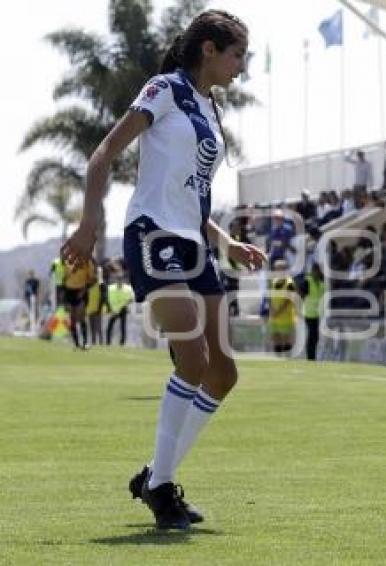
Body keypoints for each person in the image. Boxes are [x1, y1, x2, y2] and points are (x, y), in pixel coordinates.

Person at [60, 10, 266, 530]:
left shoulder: (208, 108)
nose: (243, 65)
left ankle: (156, 475)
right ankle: (160, 489)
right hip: (153, 234)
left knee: (224, 373)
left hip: (194, 241)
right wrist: (90, 223)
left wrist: (226, 241)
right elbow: (104, 153)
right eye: (238, 53)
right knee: (192, 360)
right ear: (210, 50)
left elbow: (195, 195)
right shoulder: (166, 89)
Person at [63, 257, 97, 350]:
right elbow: (64, 278)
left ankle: (85, 342)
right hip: (69, 291)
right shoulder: (67, 262)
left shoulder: (87, 261)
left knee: (81, 316)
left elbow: (93, 279)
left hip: (81, 290)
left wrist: (84, 289)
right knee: (72, 319)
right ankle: (76, 344)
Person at [268, 260, 297, 355]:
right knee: (275, 336)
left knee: (285, 338)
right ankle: (278, 358)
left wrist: (279, 312)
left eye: (279, 269)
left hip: (285, 316)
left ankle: (287, 358)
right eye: (276, 269)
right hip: (275, 315)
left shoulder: (289, 283)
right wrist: (272, 310)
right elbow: (271, 297)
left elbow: (289, 300)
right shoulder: (274, 281)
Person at [299, 262, 325, 360]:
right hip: (308, 313)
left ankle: (312, 356)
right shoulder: (307, 282)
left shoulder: (321, 283)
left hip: (317, 314)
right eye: (315, 270)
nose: (317, 273)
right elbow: (301, 294)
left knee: (315, 337)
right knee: (311, 336)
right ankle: (310, 357)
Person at [107, 278, 134, 345]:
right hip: (114, 309)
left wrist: (126, 304)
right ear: (117, 281)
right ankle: (108, 342)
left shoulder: (127, 289)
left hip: (122, 309)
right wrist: (111, 309)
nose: (120, 282)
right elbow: (108, 298)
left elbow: (131, 299)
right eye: (118, 280)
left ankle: (122, 342)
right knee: (110, 326)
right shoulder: (111, 288)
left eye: (121, 280)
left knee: (122, 327)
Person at [86, 267, 107, 346]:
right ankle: (93, 342)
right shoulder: (88, 283)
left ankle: (101, 342)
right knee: (92, 328)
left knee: (98, 327)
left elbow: (103, 297)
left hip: (98, 309)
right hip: (90, 308)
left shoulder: (101, 284)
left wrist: (100, 307)